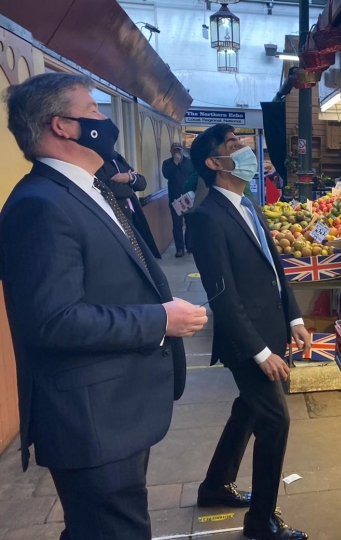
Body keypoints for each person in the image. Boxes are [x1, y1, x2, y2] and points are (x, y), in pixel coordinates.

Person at [0, 73, 207, 540]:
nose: (104, 120)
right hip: (90, 422)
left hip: (115, 412)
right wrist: (161, 319)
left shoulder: (83, 189)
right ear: (62, 126)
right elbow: (53, 320)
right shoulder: (41, 204)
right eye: (94, 110)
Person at [188, 123, 311, 540]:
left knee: (248, 409)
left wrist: (294, 318)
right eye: (233, 145)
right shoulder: (205, 218)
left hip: (272, 330)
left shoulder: (249, 204)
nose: (245, 151)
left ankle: (214, 485)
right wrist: (260, 351)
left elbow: (276, 269)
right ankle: (260, 523)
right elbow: (223, 297)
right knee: (275, 421)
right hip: (247, 344)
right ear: (213, 162)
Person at [96, 152, 162, 258]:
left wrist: (128, 177)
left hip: (134, 212)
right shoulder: (96, 160)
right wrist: (131, 183)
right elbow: (109, 188)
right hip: (117, 214)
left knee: (141, 252)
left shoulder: (117, 158)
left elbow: (142, 183)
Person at [162, 142, 195, 257]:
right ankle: (179, 249)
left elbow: (195, 177)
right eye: (174, 150)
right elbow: (167, 175)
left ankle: (189, 245)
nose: (177, 152)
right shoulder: (167, 163)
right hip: (175, 199)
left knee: (190, 223)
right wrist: (175, 164)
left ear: (182, 151)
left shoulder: (190, 163)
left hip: (189, 198)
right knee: (177, 225)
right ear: (171, 152)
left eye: (179, 150)